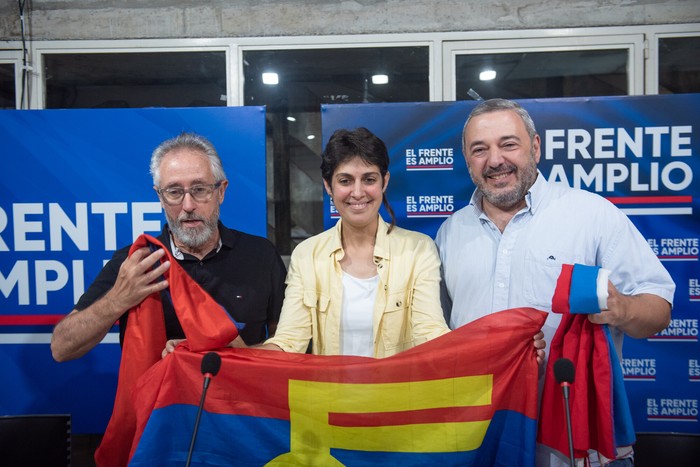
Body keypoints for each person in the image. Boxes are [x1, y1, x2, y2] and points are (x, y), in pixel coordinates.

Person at [435, 98, 675, 466]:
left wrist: (620, 308)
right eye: (479, 150)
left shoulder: (591, 215)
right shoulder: (451, 232)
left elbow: (658, 309)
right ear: (467, 160)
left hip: (572, 446)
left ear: (535, 147)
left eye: (508, 144)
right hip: (482, 440)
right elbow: (440, 335)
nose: (495, 160)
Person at [51, 132, 286, 362]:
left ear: (221, 191)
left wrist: (239, 354)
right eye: (174, 192)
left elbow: (291, 346)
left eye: (199, 189)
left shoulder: (260, 254)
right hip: (161, 400)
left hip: (239, 399)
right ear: (160, 197)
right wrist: (117, 300)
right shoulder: (137, 261)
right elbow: (61, 348)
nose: (188, 205)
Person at [255, 127, 450, 358]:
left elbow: (430, 334)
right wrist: (235, 360)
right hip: (330, 393)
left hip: (397, 392)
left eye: (369, 179)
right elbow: (289, 341)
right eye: (345, 180)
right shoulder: (307, 254)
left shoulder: (418, 249)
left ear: (384, 182)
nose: (357, 193)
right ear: (328, 186)